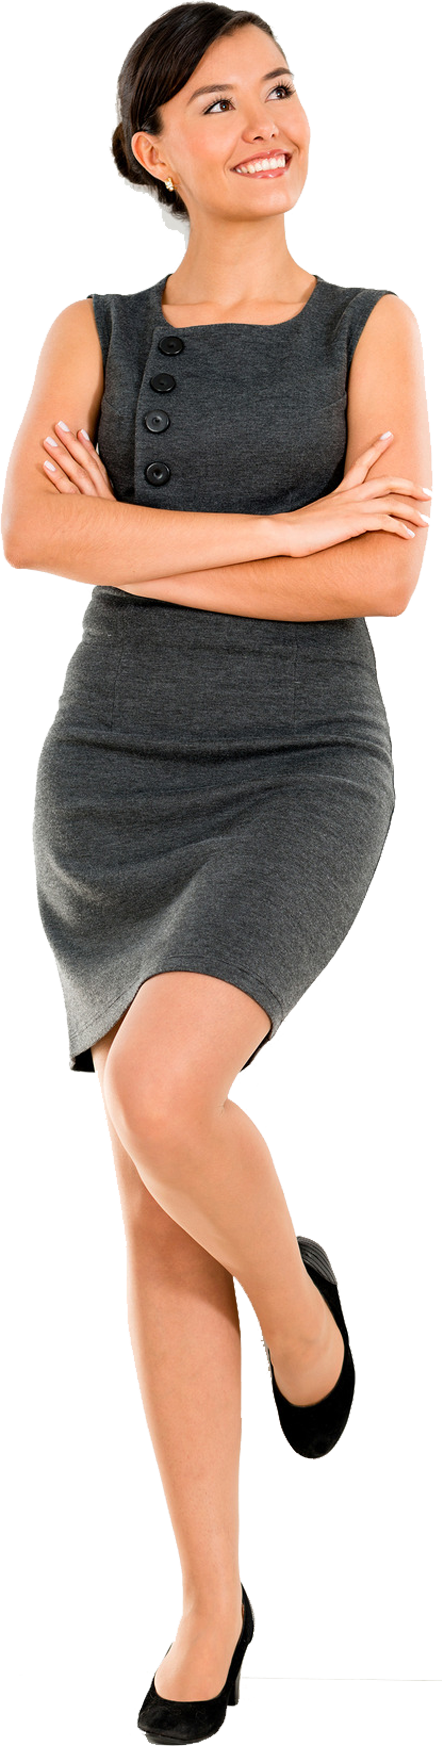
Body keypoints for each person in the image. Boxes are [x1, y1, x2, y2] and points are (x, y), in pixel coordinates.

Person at [2, 5, 431, 1742]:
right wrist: (281, 525)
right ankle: (206, 1604)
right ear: (151, 153)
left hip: (303, 764)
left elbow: (376, 582)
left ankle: (299, 1322)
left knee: (167, 1094)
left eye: (279, 90)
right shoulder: (92, 328)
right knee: (145, 1181)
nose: (265, 122)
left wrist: (164, 542)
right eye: (216, 103)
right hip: (111, 778)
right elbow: (36, 531)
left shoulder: (368, 324)